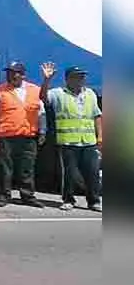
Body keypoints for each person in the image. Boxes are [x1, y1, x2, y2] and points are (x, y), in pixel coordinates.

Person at [39, 63, 102, 211]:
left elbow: (97, 115)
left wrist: (101, 137)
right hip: (68, 142)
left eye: (82, 77)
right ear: (68, 79)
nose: (80, 80)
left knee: (92, 173)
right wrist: (46, 80)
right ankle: (68, 200)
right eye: (76, 77)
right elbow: (43, 97)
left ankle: (94, 201)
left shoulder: (90, 94)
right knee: (69, 174)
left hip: (88, 142)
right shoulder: (58, 93)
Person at [0, 61, 47, 208]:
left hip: (28, 135)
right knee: (4, 168)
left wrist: (43, 131)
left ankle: (27, 196)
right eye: (9, 72)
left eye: (15, 72)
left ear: (23, 75)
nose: (11, 75)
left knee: (27, 167)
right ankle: (2, 195)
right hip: (6, 136)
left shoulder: (34, 90)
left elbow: (41, 113)